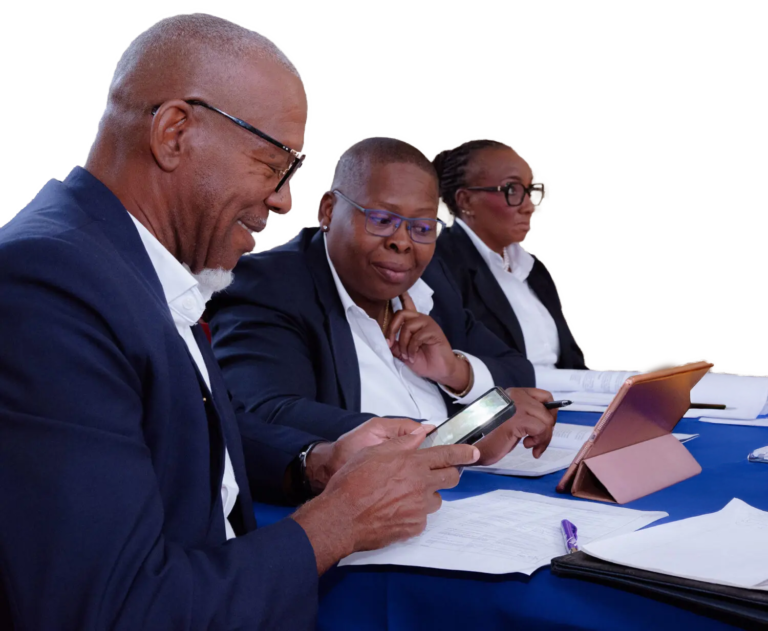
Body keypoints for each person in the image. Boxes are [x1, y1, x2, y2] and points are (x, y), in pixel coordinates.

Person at [0, 13, 480, 630]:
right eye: (274, 164)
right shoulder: (48, 286)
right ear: (175, 133)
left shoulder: (127, 262)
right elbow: (109, 611)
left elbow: (171, 432)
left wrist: (315, 461)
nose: (283, 200)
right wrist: (338, 522)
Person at [208, 135, 558, 466]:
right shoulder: (271, 285)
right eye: (382, 219)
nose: (402, 242)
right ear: (328, 211)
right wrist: (457, 434)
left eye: (422, 228)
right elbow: (265, 414)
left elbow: (517, 370)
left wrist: (454, 370)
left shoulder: (430, 282)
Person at [432, 138, 588, 370]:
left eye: (529, 190)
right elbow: (456, 367)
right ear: (466, 201)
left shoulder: (533, 268)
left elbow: (571, 361)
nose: (529, 207)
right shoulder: (439, 267)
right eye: (512, 190)